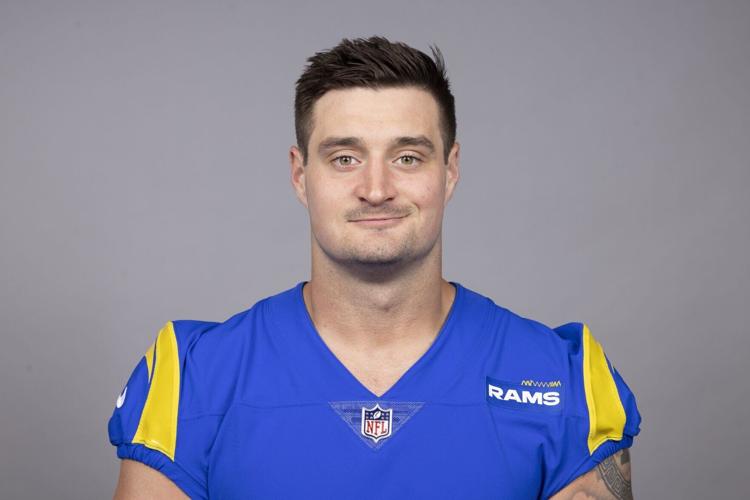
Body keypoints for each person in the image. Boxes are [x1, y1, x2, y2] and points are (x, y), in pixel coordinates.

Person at [109, 36, 640, 499]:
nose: (377, 189)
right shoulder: (195, 378)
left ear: (450, 170)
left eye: (408, 157)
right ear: (300, 175)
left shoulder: (563, 379)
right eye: (345, 158)